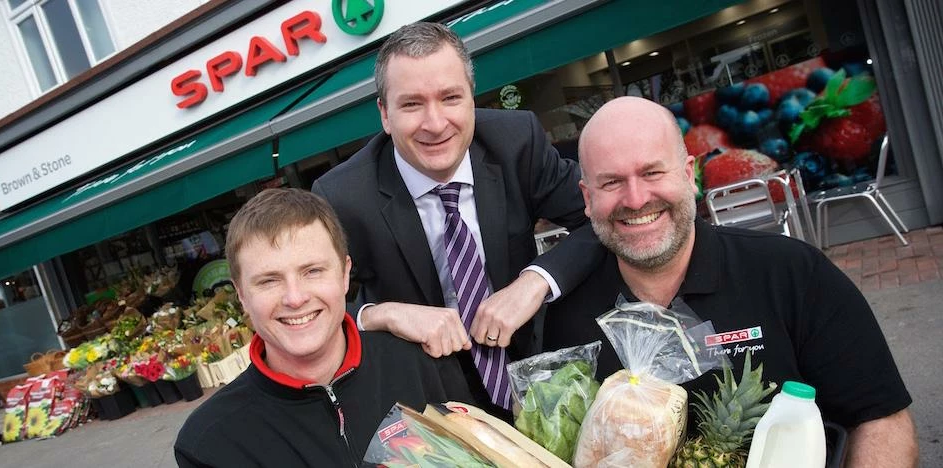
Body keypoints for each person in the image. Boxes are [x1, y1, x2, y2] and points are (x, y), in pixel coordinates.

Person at [544, 96, 918, 466]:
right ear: (587, 199)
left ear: (689, 175)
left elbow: (881, 419)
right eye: (611, 182)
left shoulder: (790, 272)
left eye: (653, 173)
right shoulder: (565, 321)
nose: (637, 198)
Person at [311, 22, 595, 414]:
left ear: (471, 98)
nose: (435, 123)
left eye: (450, 98)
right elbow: (311, 306)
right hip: (427, 400)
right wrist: (383, 314)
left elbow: (602, 218)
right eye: (412, 104)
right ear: (385, 115)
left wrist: (535, 281)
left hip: (540, 368)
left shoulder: (518, 141)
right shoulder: (342, 197)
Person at [174, 189, 472, 467]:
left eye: (313, 271)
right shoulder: (208, 443)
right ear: (241, 294)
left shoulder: (422, 363)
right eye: (269, 280)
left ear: (344, 275)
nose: (295, 298)